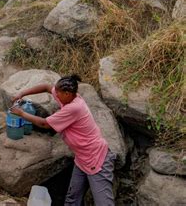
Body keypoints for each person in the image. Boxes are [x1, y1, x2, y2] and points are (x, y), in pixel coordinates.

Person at [10, 75, 116, 206]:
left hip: (97, 159)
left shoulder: (74, 108)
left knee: (104, 203)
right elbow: (46, 87)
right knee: (72, 198)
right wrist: (21, 93)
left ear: (67, 93)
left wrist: (21, 114)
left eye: (58, 92)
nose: (56, 94)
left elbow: (45, 124)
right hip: (82, 158)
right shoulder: (67, 98)